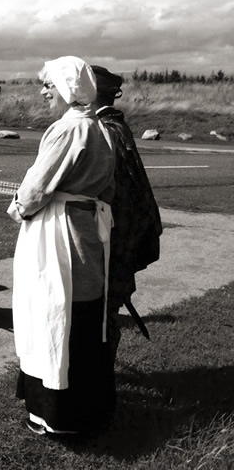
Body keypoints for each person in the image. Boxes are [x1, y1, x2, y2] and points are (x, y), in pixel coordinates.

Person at [7, 56, 116, 435]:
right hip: (88, 232)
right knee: (82, 313)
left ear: (67, 90)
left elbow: (36, 188)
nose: (42, 92)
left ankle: (57, 414)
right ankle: (88, 408)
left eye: (48, 86)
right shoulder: (101, 127)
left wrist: (19, 208)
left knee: (55, 310)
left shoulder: (67, 129)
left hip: (60, 235)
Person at [92, 65, 162, 360]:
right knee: (101, 313)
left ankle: (100, 386)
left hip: (112, 238)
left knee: (101, 315)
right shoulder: (112, 125)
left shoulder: (105, 129)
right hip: (115, 234)